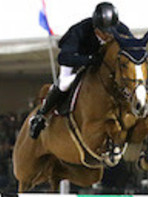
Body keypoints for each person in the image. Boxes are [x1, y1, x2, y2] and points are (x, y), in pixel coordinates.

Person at [29, 2, 131, 139]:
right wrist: (88, 60)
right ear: (96, 28)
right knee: (65, 83)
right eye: (105, 33)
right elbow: (63, 58)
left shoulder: (120, 29)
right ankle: (41, 115)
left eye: (111, 32)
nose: (109, 37)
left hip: (101, 63)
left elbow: (132, 48)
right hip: (77, 60)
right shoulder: (79, 31)